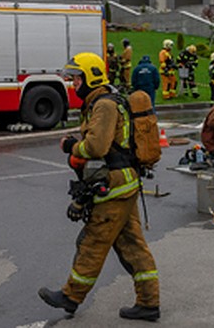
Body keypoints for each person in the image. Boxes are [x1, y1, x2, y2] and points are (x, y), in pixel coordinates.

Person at [40, 52, 160, 322]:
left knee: (93, 241)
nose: (73, 84)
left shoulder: (104, 105)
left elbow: (97, 147)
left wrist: (71, 146)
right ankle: (149, 303)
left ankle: (71, 296)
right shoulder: (106, 100)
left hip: (115, 185)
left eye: (76, 78)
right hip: (125, 182)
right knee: (133, 246)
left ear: (90, 78)